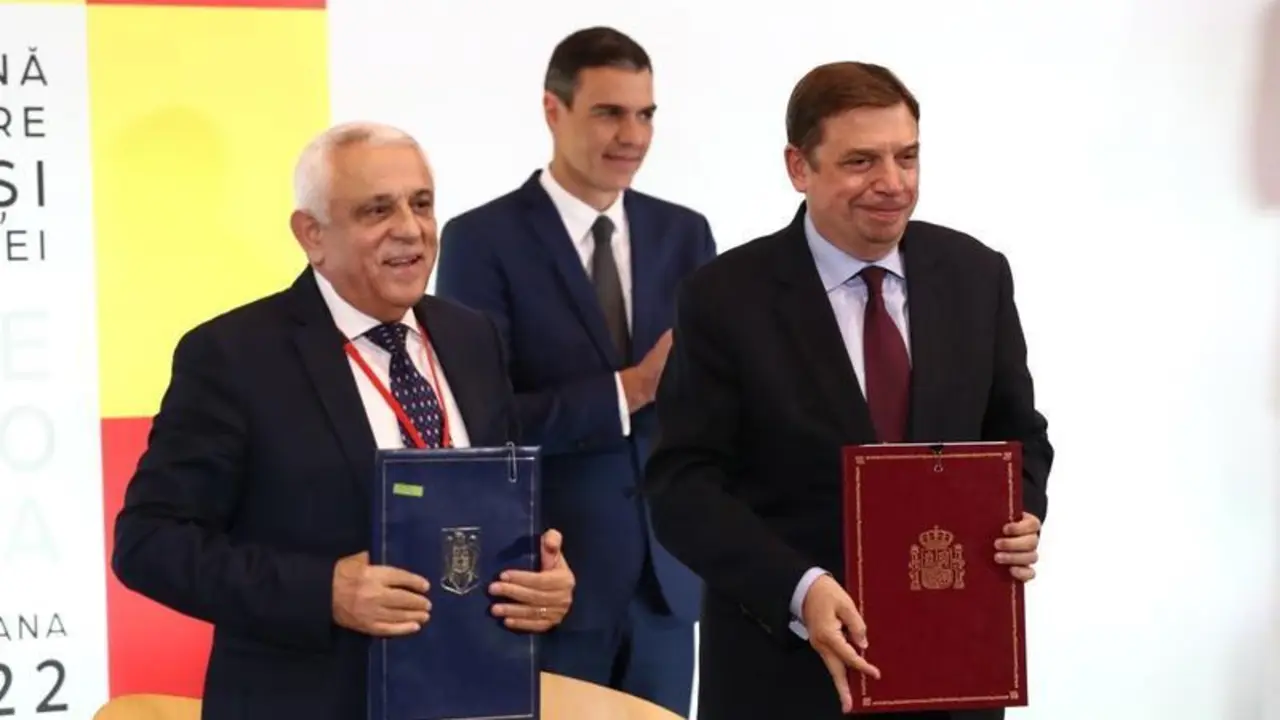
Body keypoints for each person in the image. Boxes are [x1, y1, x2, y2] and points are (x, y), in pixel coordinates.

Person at [111, 122, 576, 720]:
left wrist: (541, 577)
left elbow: (494, 505)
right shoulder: (234, 356)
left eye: (421, 204)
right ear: (312, 235)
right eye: (377, 210)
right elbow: (149, 544)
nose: (409, 228)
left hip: (469, 696)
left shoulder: (472, 336)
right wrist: (324, 591)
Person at [643, 61, 1053, 720]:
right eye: (861, 161)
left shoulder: (977, 275)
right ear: (798, 167)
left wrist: (1021, 515)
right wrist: (799, 588)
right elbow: (681, 487)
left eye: (907, 157)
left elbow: (1019, 436)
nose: (892, 183)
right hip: (784, 677)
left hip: (953, 671)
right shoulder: (723, 298)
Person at [434, 26, 715, 717]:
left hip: (667, 588)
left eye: (645, 114)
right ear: (552, 110)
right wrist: (630, 389)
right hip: (543, 581)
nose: (633, 135)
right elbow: (480, 423)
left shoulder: (686, 233)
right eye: (609, 113)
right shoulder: (480, 240)